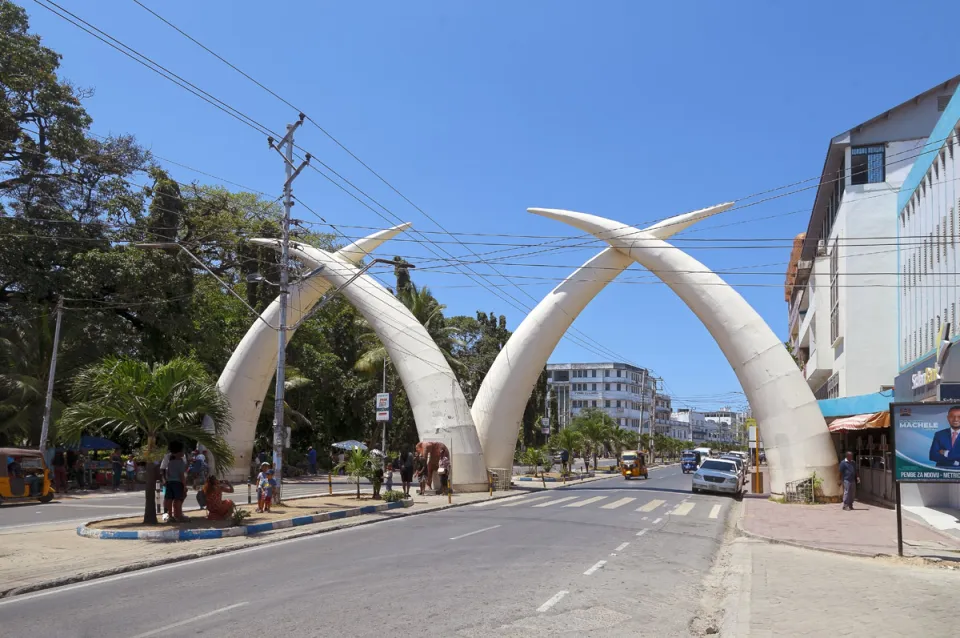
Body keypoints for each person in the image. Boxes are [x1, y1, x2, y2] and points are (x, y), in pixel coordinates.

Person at [164, 447, 188, 522]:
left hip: (169, 482)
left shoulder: (170, 463)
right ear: (178, 453)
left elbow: (167, 473)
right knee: (178, 500)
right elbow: (181, 475)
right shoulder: (181, 463)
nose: (183, 453)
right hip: (177, 482)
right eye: (182, 452)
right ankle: (178, 515)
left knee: (169, 499)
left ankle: (170, 516)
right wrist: (184, 485)